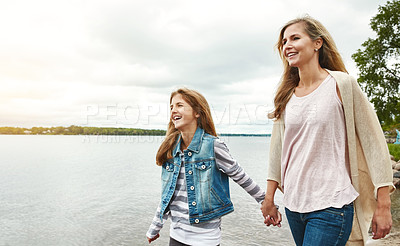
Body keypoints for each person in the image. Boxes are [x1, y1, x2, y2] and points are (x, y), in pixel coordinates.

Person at [260, 15, 395, 246]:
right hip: (294, 205)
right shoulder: (286, 95)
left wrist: (383, 205)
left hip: (331, 206)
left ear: (317, 43)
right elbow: (279, 151)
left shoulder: (342, 84)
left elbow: (374, 142)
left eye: (295, 38)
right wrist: (269, 197)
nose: (287, 46)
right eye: (284, 42)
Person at [146, 88, 265, 246]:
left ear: (197, 112)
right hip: (176, 236)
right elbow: (166, 195)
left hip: (205, 238)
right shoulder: (171, 150)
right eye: (171, 107)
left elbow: (240, 176)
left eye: (180, 105)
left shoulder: (213, 146)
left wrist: (265, 201)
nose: (174, 109)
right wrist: (155, 226)